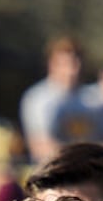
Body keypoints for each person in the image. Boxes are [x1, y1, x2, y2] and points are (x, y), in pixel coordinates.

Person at [18, 36, 83, 164]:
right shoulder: (38, 99)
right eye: (67, 64)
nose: (73, 70)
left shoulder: (88, 99)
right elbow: (41, 146)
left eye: (76, 63)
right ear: (52, 64)